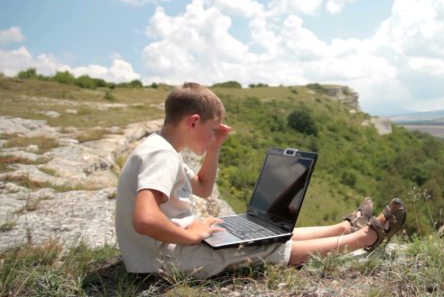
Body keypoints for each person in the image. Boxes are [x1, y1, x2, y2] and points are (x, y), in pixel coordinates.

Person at [115, 82, 406, 279]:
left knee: (269, 232)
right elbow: (145, 219)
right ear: (193, 122)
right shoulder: (161, 156)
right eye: (212, 129)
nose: (214, 134)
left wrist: (214, 147)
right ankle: (366, 238)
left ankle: (342, 227)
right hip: (166, 261)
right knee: (268, 247)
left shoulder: (163, 149)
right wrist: (192, 234)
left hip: (163, 251)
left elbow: (202, 188)